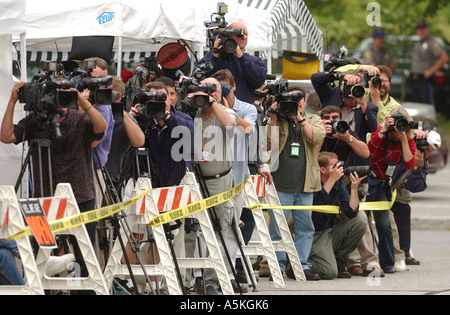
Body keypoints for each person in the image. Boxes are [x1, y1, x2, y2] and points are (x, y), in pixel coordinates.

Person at [1, 81, 107, 243]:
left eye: (64, 96)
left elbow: (101, 127)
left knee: (84, 254)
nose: (60, 102)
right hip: (44, 195)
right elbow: (6, 136)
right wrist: (12, 101)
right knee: (42, 248)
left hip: (81, 195)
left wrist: (82, 101)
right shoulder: (37, 120)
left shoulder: (79, 118)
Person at [266, 86, 325, 281]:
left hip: (305, 185)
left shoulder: (313, 118)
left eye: (299, 98)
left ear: (305, 100)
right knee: (277, 228)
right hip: (280, 183)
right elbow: (267, 143)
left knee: (305, 227)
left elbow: (316, 136)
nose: (296, 102)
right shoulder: (277, 118)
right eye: (291, 99)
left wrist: (299, 118)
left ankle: (301, 265)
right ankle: (278, 265)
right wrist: (274, 119)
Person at [318, 106, 383, 277]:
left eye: (335, 117)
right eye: (327, 118)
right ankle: (280, 260)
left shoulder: (345, 131)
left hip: (341, 189)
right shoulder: (315, 130)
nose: (331, 121)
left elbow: (365, 152)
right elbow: (308, 156)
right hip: (316, 190)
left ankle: (370, 263)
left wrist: (348, 138)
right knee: (292, 220)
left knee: (360, 218)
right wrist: (321, 135)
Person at [212, 69, 257, 292]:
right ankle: (209, 276)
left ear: (233, 87)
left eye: (225, 87)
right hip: (211, 179)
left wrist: (226, 110)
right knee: (208, 230)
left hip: (236, 178)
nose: (221, 91)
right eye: (216, 87)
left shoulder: (247, 108)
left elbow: (248, 129)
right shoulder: (206, 107)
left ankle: (227, 275)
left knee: (232, 230)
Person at [367, 107, 416, 273]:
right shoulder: (381, 132)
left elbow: (410, 164)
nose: (398, 128)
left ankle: (387, 263)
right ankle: (359, 262)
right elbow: (369, 150)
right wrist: (383, 130)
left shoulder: (407, 139)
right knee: (360, 221)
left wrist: (403, 140)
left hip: (382, 183)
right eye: (395, 124)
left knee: (384, 223)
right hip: (366, 180)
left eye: (402, 124)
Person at [308, 152, 367, 280]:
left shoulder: (337, 185)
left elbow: (351, 213)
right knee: (329, 272)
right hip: (315, 235)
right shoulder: (313, 182)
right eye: (334, 166)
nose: (338, 168)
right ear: (322, 170)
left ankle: (337, 258)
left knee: (359, 223)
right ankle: (297, 264)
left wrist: (354, 188)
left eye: (339, 164)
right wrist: (332, 179)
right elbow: (317, 206)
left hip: (331, 231)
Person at [130, 81, 195, 187]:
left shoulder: (182, 118)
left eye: (162, 98)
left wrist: (167, 117)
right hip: (149, 186)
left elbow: (189, 133)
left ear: (169, 99)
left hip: (177, 186)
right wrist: (130, 120)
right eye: (154, 100)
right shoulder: (145, 122)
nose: (159, 102)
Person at [391, 130, 441, 267]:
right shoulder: (406, 141)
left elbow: (416, 187)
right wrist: (411, 134)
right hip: (383, 180)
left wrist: (417, 167)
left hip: (397, 189)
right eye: (424, 145)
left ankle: (404, 252)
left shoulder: (422, 160)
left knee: (404, 205)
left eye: (429, 149)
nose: (425, 150)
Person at [198, 22, 267, 104]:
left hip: (243, 113)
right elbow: (198, 75)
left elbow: (258, 81)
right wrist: (214, 56)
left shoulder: (255, 61)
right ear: (228, 36)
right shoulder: (215, 56)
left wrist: (242, 58)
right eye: (239, 34)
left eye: (246, 34)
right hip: (217, 110)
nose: (244, 37)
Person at [81, 57, 115, 210]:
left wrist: (84, 105)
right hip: (70, 168)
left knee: (90, 217)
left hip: (93, 168)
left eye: (103, 80)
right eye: (94, 80)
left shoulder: (103, 105)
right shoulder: (73, 98)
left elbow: (92, 141)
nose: (98, 85)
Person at [105, 76, 145, 191]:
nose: (112, 99)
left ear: (121, 96)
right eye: (108, 94)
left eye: (116, 95)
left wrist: (121, 113)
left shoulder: (123, 120)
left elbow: (139, 141)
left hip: (110, 180)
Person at [410, 18, 449, 105]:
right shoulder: (418, 43)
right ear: (416, 31)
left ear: (427, 29)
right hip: (415, 80)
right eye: (419, 29)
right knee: (417, 106)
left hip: (425, 80)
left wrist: (431, 71)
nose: (421, 31)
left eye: (423, 29)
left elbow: (444, 58)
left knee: (427, 106)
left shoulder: (432, 42)